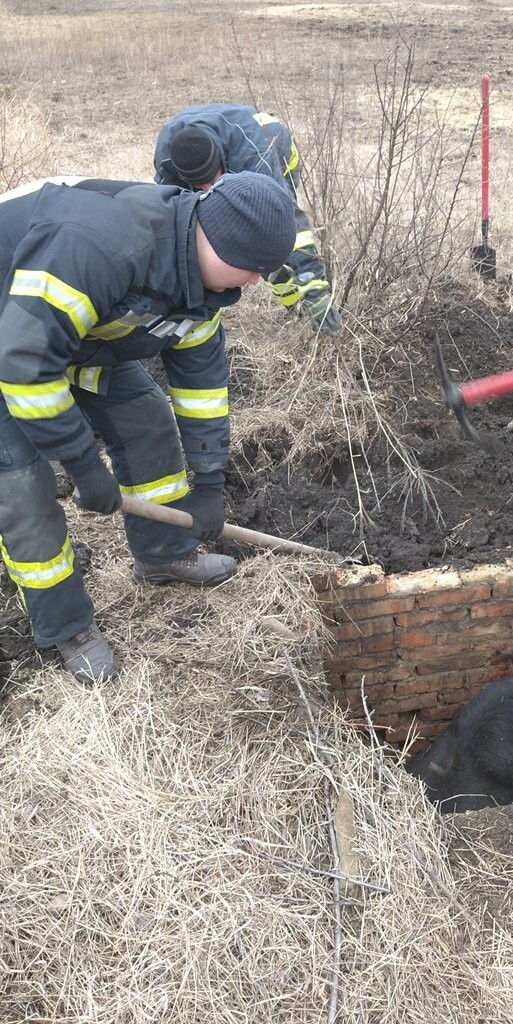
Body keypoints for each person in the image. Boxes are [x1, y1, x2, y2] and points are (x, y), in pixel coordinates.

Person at [0, 172, 297, 683]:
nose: (253, 282)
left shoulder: (203, 287)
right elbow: (23, 361)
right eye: (251, 268)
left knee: (147, 419)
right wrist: (82, 464)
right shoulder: (101, 247)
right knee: (23, 484)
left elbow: (201, 386)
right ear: (218, 238)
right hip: (12, 334)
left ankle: (163, 555)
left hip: (73, 334)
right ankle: (68, 625)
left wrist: (207, 484)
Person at [154, 103, 341, 335]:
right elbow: (174, 219)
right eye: (198, 185)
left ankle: (307, 301)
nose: (206, 189)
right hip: (217, 147)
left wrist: (315, 291)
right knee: (247, 243)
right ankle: (295, 308)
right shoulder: (168, 155)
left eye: (211, 180)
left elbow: (287, 222)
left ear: (222, 161)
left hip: (275, 146)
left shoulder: (251, 153)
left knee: (265, 234)